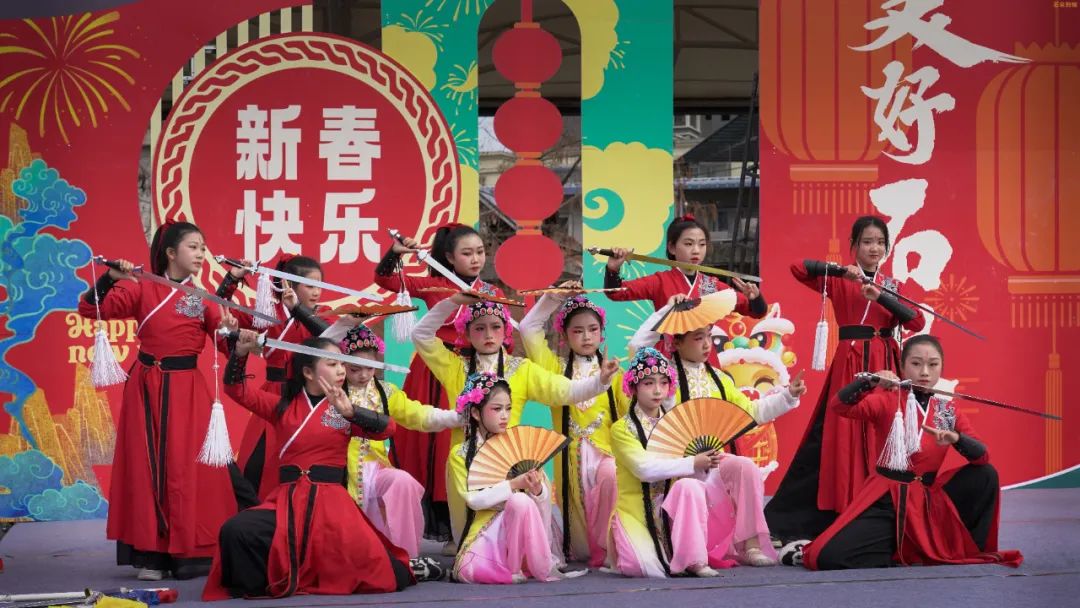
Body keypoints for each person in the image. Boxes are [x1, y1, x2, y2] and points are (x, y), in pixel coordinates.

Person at [78, 221, 241, 581]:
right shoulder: (141, 287)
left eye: (203, 248)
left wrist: (235, 337)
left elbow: (226, 347)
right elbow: (91, 310)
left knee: (184, 468)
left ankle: (186, 553)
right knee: (147, 466)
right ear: (170, 253)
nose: (201, 254)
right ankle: (151, 554)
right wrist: (110, 278)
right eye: (193, 247)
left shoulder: (202, 298)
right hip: (146, 387)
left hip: (187, 391)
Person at [202, 335, 422, 599]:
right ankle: (271, 582)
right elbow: (235, 390)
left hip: (332, 503)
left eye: (342, 364)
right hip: (288, 499)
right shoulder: (282, 407)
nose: (341, 370)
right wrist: (239, 354)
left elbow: (388, 429)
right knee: (236, 530)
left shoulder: (344, 410)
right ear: (308, 372)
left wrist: (352, 413)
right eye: (332, 364)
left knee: (387, 573)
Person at [765, 215, 926, 546]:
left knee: (884, 431)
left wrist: (880, 296)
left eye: (880, 243)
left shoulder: (893, 286)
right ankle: (834, 512)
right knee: (839, 435)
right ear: (854, 246)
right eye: (867, 242)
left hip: (885, 362)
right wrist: (841, 271)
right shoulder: (839, 280)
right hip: (850, 363)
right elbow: (798, 268)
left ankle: (885, 509)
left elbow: (917, 322)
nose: (873, 248)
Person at [413, 292, 620, 544]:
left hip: (513, 462)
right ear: (466, 333)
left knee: (525, 522)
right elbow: (421, 335)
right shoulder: (455, 367)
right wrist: (452, 302)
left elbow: (566, 391)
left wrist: (600, 381)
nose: (489, 335)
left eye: (495, 327)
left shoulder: (522, 370)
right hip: (467, 464)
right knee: (473, 539)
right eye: (479, 328)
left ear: (506, 331)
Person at [801, 335, 1022, 570]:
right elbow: (840, 406)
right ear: (903, 367)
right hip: (887, 497)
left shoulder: (944, 410)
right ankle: (903, 550)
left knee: (986, 475)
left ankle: (968, 547)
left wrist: (956, 439)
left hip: (926, 501)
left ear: (941, 368)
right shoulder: (888, 399)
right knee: (827, 556)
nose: (925, 372)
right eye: (916, 364)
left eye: (933, 364)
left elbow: (982, 456)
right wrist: (870, 382)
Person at [629, 299, 807, 566]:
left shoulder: (719, 379)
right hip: (677, 463)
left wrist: (788, 396)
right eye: (697, 338)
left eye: (709, 336)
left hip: (712, 459)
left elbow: (751, 412)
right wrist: (667, 310)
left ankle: (749, 545)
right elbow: (637, 347)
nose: (706, 345)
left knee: (745, 467)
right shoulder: (665, 377)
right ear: (676, 342)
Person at [374, 223, 503, 552]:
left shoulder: (492, 291)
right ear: (449, 257)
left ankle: (480, 522)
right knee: (438, 447)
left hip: (476, 373)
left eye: (480, 252)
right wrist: (394, 255)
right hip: (434, 371)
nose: (475, 259)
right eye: (467, 253)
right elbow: (386, 280)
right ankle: (449, 528)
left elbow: (505, 338)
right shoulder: (434, 285)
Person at [519, 285, 629, 566]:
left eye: (593, 329)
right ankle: (586, 549)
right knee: (578, 534)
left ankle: (608, 546)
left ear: (602, 333)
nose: (587, 336)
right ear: (565, 335)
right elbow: (528, 328)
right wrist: (554, 296)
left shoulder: (616, 372)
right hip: (570, 455)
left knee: (611, 477)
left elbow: (630, 416)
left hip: (605, 451)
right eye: (578, 331)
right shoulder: (554, 369)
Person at [216, 254, 335, 501]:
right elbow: (219, 307)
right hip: (272, 394)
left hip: (307, 397)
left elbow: (331, 337)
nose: (316, 293)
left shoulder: (324, 316)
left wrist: (298, 310)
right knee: (256, 463)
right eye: (310, 286)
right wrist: (232, 278)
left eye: (319, 286)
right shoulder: (267, 313)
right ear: (289, 285)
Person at [339, 324, 464, 557]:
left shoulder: (385, 391)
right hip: (340, 470)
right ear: (342, 364)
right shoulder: (332, 392)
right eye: (355, 369)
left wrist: (455, 417)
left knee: (403, 481)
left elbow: (418, 414)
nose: (363, 375)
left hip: (376, 469)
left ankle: (405, 557)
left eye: (369, 368)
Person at [448, 373, 587, 584]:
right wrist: (514, 484)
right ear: (475, 413)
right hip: (488, 529)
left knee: (521, 501)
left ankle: (517, 565)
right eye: (497, 409)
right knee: (468, 571)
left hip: (524, 527)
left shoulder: (522, 447)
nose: (505, 416)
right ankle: (510, 569)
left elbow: (541, 500)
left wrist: (537, 490)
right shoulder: (461, 454)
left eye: (508, 408)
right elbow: (474, 500)